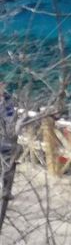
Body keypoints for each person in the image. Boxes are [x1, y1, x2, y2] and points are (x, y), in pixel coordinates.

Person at [0, 85, 18, 215]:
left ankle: (6, 190)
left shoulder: (8, 100)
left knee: (8, 163)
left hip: (5, 137)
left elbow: (11, 116)